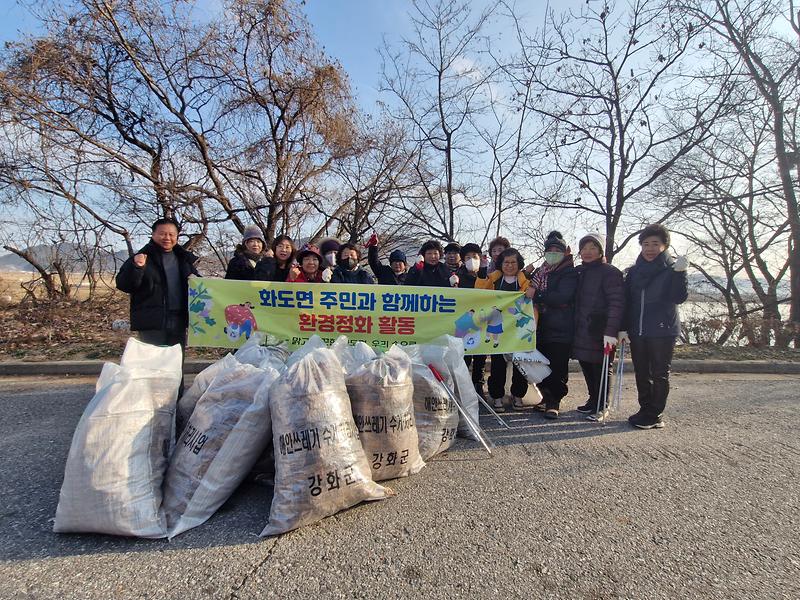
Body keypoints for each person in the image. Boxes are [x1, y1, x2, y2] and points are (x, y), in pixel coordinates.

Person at [620, 224, 688, 430]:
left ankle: (655, 413)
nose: (650, 248)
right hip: (638, 330)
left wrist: (680, 274)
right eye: (646, 244)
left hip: (662, 329)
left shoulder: (671, 270)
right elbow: (627, 301)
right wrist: (623, 327)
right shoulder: (634, 272)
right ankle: (645, 409)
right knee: (641, 372)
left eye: (655, 244)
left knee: (659, 373)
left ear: (665, 246)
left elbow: (679, 297)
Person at [115, 217, 199, 351]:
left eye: (171, 234)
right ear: (153, 235)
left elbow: (199, 285)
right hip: (152, 321)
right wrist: (137, 267)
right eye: (162, 233)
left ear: (177, 237)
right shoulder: (142, 257)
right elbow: (124, 285)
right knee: (153, 363)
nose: (167, 237)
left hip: (179, 319)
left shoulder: (183, 259)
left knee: (175, 362)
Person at [572, 233, 625, 421]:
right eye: (584, 248)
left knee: (601, 366)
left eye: (592, 248)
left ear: (600, 250)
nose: (587, 252)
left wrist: (611, 330)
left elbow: (616, 303)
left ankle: (603, 405)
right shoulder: (579, 271)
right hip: (582, 327)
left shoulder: (610, 272)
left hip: (601, 329)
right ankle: (593, 400)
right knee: (586, 363)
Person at [476, 247, 536, 411]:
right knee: (497, 366)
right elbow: (479, 291)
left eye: (513, 262)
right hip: (498, 328)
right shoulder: (493, 280)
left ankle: (518, 396)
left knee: (519, 364)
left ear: (519, 264)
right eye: (506, 262)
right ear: (500, 264)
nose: (509, 265)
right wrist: (482, 269)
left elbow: (529, 301)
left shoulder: (525, 281)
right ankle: (496, 397)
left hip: (519, 329)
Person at [526, 231, 578, 420]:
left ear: (564, 253)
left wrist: (538, 296)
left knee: (558, 366)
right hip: (541, 326)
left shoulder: (569, 272)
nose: (553, 253)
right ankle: (545, 396)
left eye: (558, 250)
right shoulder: (540, 272)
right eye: (550, 250)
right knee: (542, 365)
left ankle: (554, 400)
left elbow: (562, 296)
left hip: (561, 327)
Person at [456, 243, 489, 395]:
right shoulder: (457, 276)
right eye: (467, 257)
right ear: (462, 260)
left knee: (481, 356)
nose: (471, 260)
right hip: (464, 323)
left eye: (474, 257)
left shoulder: (486, 275)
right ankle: (463, 386)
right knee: (465, 356)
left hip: (483, 322)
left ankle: (479, 385)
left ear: (480, 258)